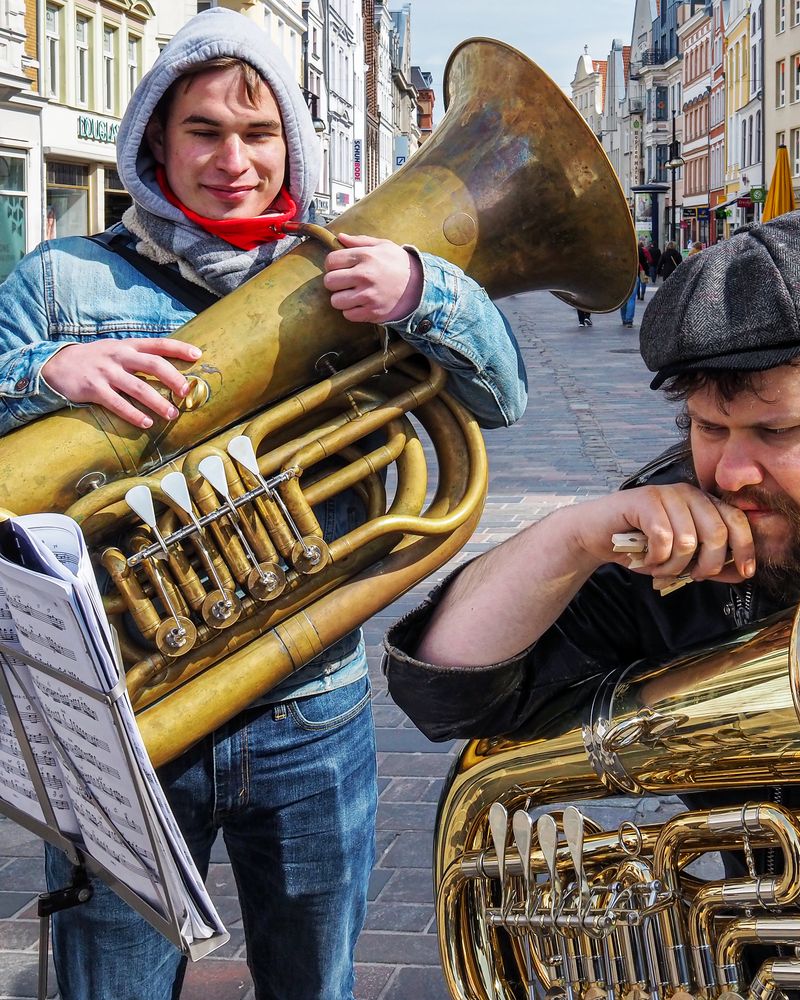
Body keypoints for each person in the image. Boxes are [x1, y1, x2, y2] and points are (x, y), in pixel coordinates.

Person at [0, 10, 526, 1000]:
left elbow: (502, 401)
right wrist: (47, 368)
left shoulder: (352, 274)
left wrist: (427, 290)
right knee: (106, 982)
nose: (232, 159)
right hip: (120, 716)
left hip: (310, 710)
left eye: (258, 133)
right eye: (203, 131)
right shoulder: (60, 281)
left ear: (292, 139)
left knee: (314, 982)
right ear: (157, 139)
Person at [382, 202, 800, 998]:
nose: (730, 473)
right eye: (710, 428)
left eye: (775, 433)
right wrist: (572, 539)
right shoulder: (680, 529)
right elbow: (448, 693)